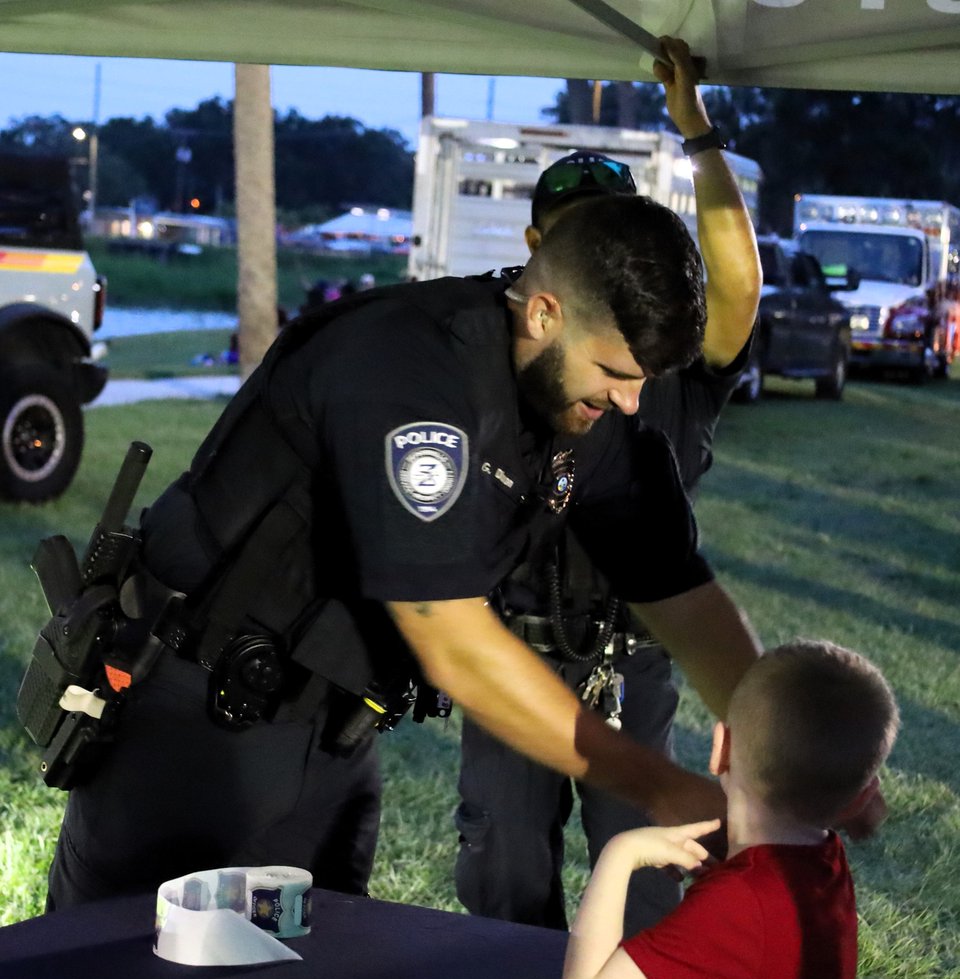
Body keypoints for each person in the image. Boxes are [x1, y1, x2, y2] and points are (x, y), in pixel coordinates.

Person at [45, 180, 762, 911]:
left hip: (334, 730)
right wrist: (658, 784)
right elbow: (451, 640)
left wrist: (785, 751)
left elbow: (683, 595)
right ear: (545, 313)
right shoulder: (407, 368)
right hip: (193, 717)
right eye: (615, 373)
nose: (629, 401)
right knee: (109, 972)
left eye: (642, 381)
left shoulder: (583, 404)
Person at [455, 37, 764, 934]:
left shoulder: (670, 349)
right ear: (536, 250)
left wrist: (697, 135)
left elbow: (737, 291)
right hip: (516, 656)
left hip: (636, 664)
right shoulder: (500, 352)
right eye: (573, 236)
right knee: (503, 894)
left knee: (650, 905)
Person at [561, 639, 898, 979]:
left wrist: (620, 855)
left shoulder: (736, 908)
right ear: (856, 798)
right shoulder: (824, 862)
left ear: (721, 749)